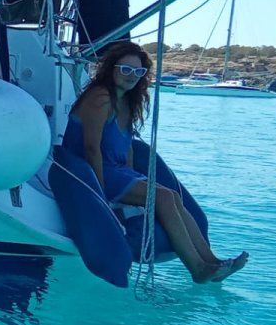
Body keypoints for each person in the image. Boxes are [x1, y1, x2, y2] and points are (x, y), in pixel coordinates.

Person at [62, 41, 248, 283]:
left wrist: (132, 179)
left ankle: (211, 261)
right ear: (111, 68)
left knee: (171, 196)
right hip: (92, 170)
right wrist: (100, 191)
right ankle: (197, 268)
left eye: (138, 72)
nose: (131, 77)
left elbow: (126, 148)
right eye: (125, 69)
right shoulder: (100, 97)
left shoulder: (126, 102)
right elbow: (91, 148)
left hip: (115, 170)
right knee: (162, 197)